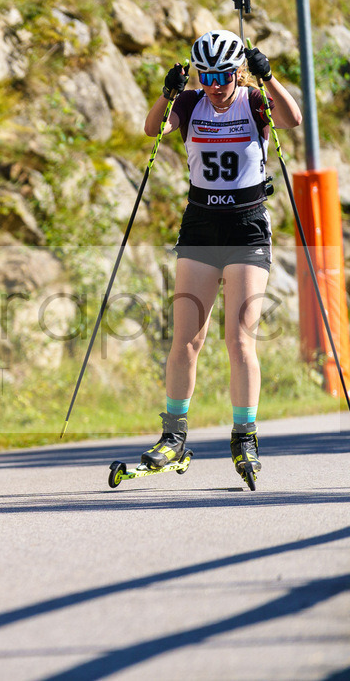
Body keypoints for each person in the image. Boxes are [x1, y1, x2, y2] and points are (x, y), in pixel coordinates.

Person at [140, 30, 302, 481]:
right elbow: (154, 129)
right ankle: (173, 436)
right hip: (200, 226)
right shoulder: (192, 104)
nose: (214, 83)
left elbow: (292, 119)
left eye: (223, 74)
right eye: (205, 74)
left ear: (238, 71)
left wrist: (269, 80)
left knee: (239, 340)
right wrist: (169, 92)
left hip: (247, 227)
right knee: (186, 338)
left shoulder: (254, 101)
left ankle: (244, 436)